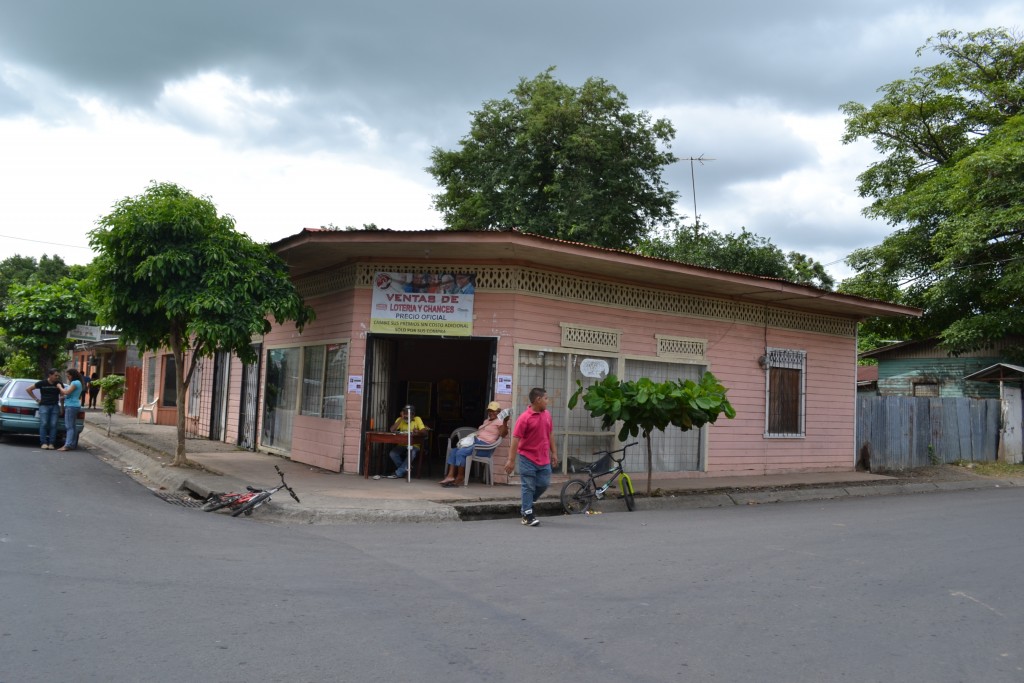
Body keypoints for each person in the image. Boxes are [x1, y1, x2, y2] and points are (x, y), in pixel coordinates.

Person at [505, 387, 558, 527]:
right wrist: (511, 460)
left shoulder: (547, 415)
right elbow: (516, 439)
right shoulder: (524, 418)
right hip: (527, 457)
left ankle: (527, 503)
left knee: (543, 484)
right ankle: (527, 514)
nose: (548, 401)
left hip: (544, 458)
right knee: (528, 486)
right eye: (546, 398)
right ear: (538, 400)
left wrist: (554, 453)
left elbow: (550, 434)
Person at [440, 401, 510, 487]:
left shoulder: (500, 421)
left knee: (460, 452)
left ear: (499, 412)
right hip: (476, 442)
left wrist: (505, 422)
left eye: (493, 411)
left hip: (484, 447)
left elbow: (503, 434)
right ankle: (450, 476)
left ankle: (460, 476)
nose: (491, 413)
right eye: (489, 411)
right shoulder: (486, 421)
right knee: (454, 451)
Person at [26, 368, 64, 450]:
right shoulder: (42, 383)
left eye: (58, 376)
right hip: (44, 405)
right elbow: (28, 389)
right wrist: (36, 399)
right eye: (55, 375)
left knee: (53, 424)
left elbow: (62, 396)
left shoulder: (59, 384)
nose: (57, 377)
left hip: (55, 406)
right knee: (44, 423)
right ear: (50, 375)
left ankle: (51, 443)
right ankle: (43, 443)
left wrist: (62, 407)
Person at [386, 405, 427, 479]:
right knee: (393, 453)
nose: (406, 415)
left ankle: (398, 473)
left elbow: (424, 432)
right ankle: (405, 469)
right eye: (405, 413)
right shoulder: (400, 419)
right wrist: (401, 418)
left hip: (414, 445)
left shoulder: (417, 419)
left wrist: (417, 431)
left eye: (408, 414)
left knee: (411, 453)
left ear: (413, 414)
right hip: (402, 444)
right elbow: (392, 429)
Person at [58, 368, 84, 451]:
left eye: (68, 376)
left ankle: (67, 445)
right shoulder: (78, 383)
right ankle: (72, 444)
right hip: (75, 405)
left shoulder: (75, 382)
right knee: (72, 426)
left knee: (69, 426)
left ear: (72, 375)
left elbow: (66, 392)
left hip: (71, 406)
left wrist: (59, 387)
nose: (68, 377)